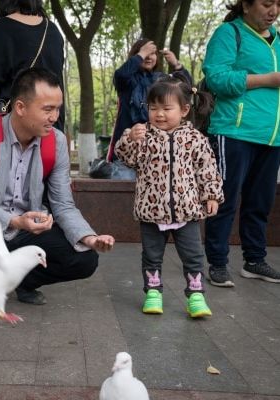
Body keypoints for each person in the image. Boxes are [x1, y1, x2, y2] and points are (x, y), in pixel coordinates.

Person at [0, 67, 115, 321]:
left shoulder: (56, 142)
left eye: (57, 109)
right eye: (47, 109)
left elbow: (63, 204)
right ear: (20, 107)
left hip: (27, 232)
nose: (54, 117)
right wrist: (13, 220)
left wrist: (89, 238)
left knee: (85, 261)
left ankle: (20, 282)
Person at [115, 76, 224, 318]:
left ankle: (196, 296)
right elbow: (126, 158)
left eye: (166, 108)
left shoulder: (196, 139)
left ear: (184, 110)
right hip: (152, 212)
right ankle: (153, 292)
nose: (159, 114)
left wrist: (211, 195)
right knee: (152, 255)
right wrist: (129, 139)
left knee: (193, 255)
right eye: (153, 108)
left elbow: (207, 169)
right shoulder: (144, 137)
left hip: (187, 210)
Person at [203, 0, 280, 287]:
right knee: (224, 199)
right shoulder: (229, 34)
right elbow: (217, 78)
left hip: (272, 136)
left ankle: (255, 260)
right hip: (233, 132)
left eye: (278, 4)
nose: (273, 11)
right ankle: (218, 263)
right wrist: (267, 79)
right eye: (266, 3)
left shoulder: (279, 42)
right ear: (246, 5)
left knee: (260, 202)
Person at [0, 0, 66, 131]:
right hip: (52, 124)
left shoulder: (3, 28)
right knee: (49, 151)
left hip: (18, 126)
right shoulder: (53, 30)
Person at [107, 39, 192, 163]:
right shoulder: (127, 80)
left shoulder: (161, 79)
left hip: (155, 152)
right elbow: (121, 75)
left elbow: (186, 88)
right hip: (127, 151)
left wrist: (176, 64)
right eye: (144, 53)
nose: (148, 57)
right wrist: (141, 54)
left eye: (152, 54)